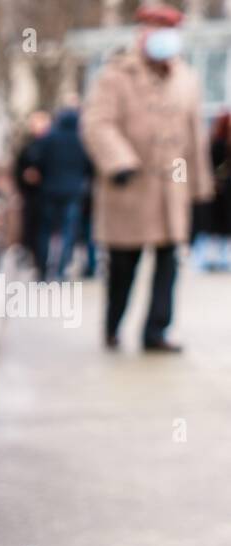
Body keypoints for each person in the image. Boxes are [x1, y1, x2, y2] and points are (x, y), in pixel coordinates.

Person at [80, 2, 214, 353]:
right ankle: (113, 325)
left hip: (172, 191)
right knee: (124, 264)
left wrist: (200, 192)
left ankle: (157, 331)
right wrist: (119, 161)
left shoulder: (188, 78)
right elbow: (97, 123)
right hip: (130, 187)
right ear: (142, 33)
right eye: (156, 30)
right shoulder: (115, 75)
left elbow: (195, 139)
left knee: (168, 264)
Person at [31, 105, 93, 280]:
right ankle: (61, 269)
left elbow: (36, 160)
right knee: (68, 231)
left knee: (45, 230)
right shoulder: (82, 141)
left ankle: (43, 269)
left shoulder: (49, 138)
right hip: (73, 193)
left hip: (48, 191)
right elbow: (90, 167)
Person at [191, 112, 231, 271]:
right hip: (216, 192)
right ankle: (210, 257)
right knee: (215, 226)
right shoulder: (216, 144)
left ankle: (221, 257)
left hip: (226, 193)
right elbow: (208, 165)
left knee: (225, 226)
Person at [15, 111, 51, 268]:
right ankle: (31, 256)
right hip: (31, 194)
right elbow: (18, 168)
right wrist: (25, 177)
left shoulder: (51, 145)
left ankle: (41, 262)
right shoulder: (28, 146)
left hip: (46, 194)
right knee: (30, 227)